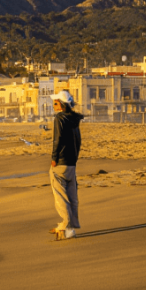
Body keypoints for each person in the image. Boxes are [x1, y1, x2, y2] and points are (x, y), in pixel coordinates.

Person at [50, 90, 84, 240]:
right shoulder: (74, 119)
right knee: (72, 196)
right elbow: (78, 141)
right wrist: (75, 158)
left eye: (56, 102)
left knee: (60, 196)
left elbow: (57, 140)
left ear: (62, 104)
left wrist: (54, 158)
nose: (54, 104)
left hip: (61, 162)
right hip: (71, 163)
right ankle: (71, 229)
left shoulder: (60, 118)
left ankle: (65, 225)